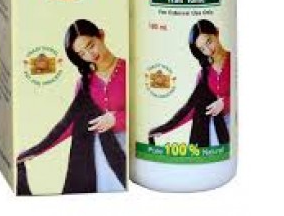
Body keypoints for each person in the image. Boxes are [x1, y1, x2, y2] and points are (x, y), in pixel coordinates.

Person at [16, 19, 126, 194]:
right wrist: (36, 150)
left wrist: (116, 119)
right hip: (101, 154)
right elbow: (71, 124)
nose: (90, 55)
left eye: (91, 45)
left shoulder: (129, 70)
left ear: (101, 35)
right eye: (82, 53)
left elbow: (145, 114)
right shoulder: (84, 84)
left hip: (131, 147)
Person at [149, 19, 231, 147]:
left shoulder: (234, 61)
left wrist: (225, 102)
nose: (209, 50)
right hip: (218, 132)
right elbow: (191, 108)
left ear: (217, 33)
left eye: (209, 42)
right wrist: (164, 129)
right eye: (202, 49)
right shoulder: (204, 74)